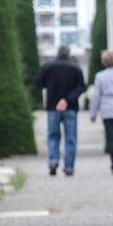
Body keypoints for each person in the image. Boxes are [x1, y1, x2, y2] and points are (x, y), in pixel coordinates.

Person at [36, 45, 85, 176]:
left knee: (52, 136)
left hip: (53, 106)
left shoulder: (48, 66)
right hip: (70, 107)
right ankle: (69, 167)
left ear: (57, 53)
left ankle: (53, 160)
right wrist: (67, 99)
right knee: (70, 138)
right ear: (69, 54)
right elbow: (81, 87)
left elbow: (39, 83)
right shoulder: (76, 67)